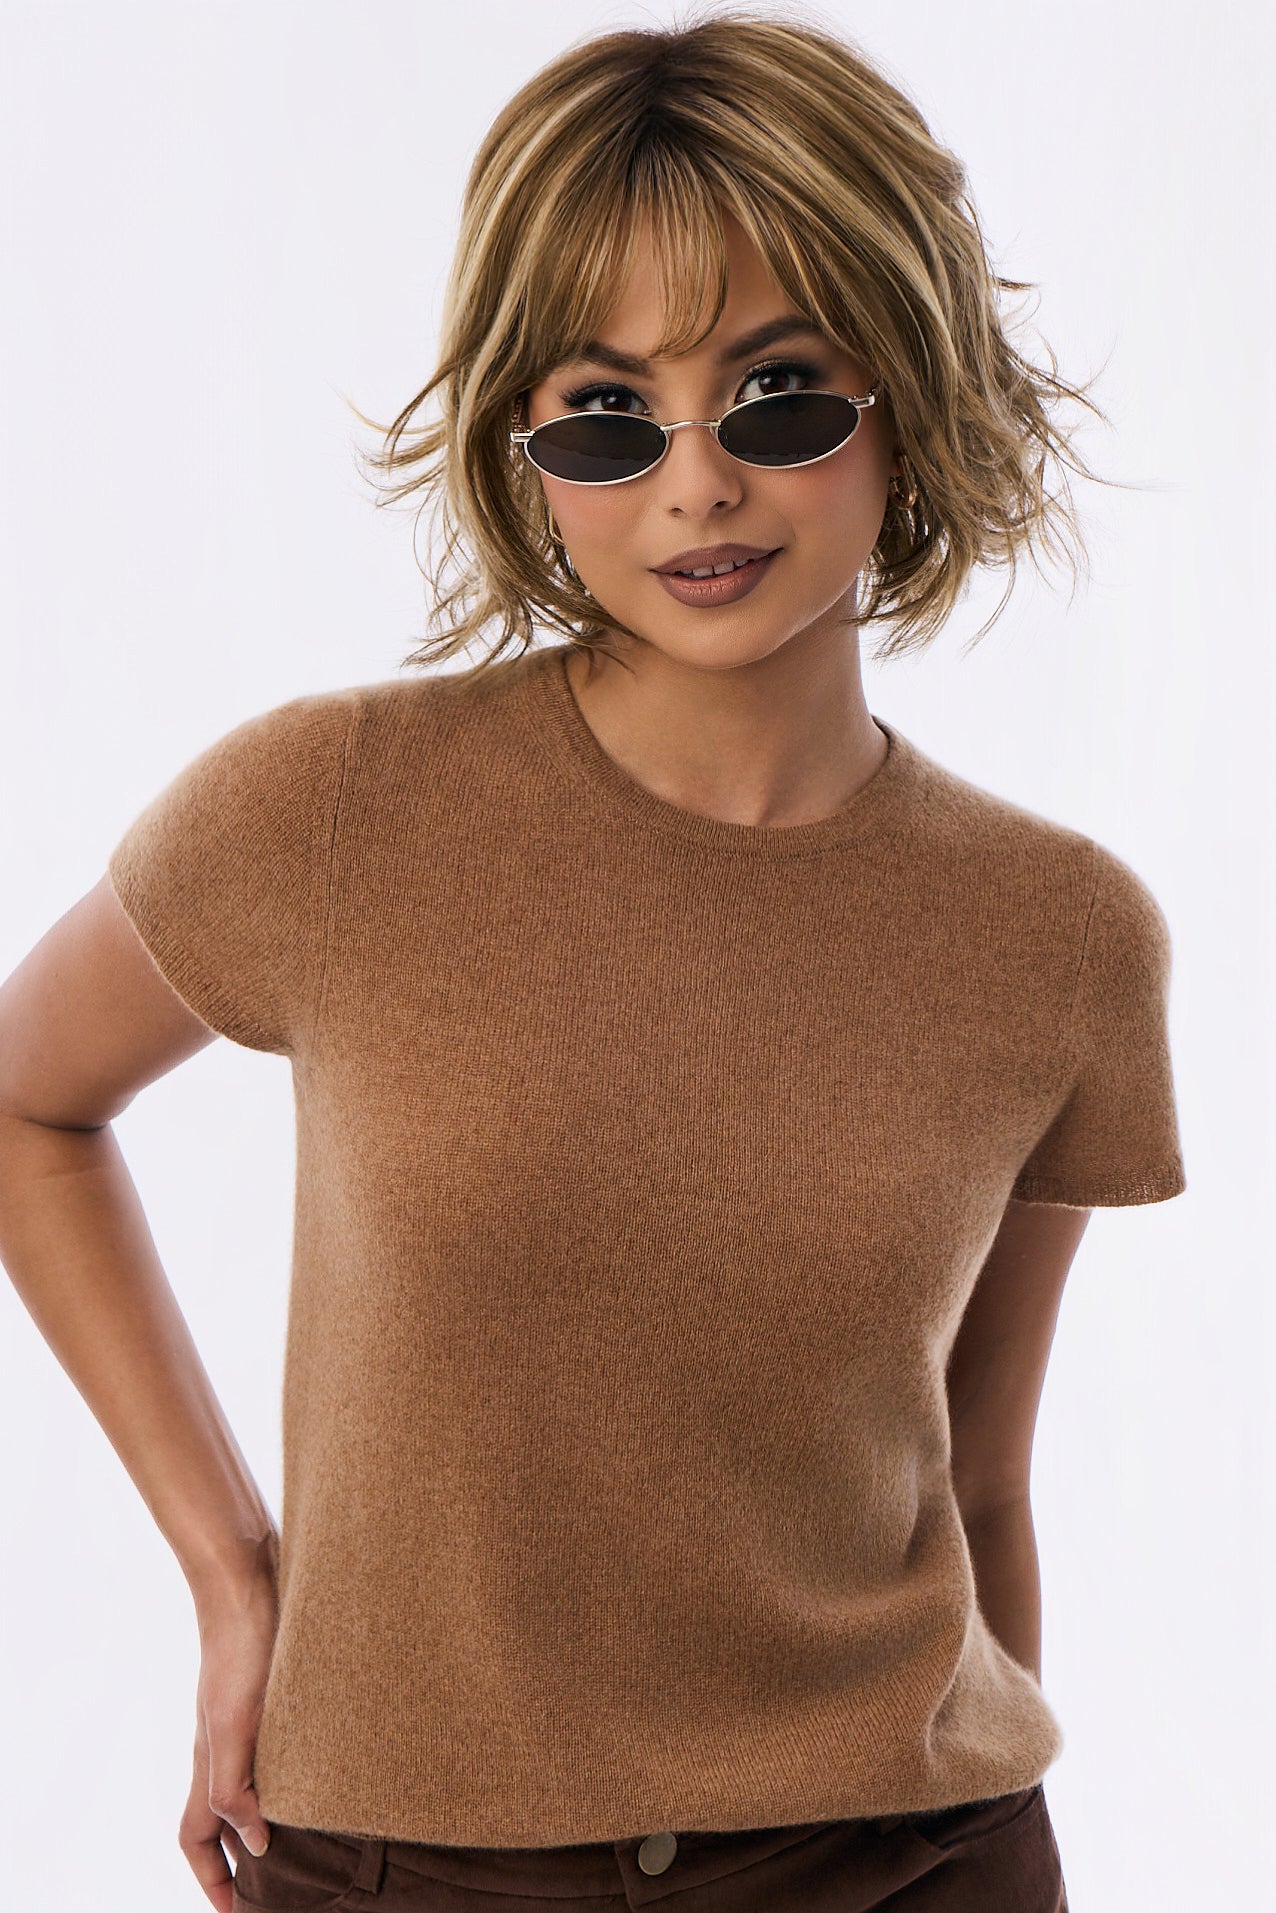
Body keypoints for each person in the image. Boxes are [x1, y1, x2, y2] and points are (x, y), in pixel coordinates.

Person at [0, 10, 1186, 1911]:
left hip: (907, 1857)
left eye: (780, 392)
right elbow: (26, 1101)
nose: (696, 483)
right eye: (608, 415)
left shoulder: (1061, 935)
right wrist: (232, 1570)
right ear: (524, 443)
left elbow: (977, 1482)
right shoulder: (329, 809)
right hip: (396, 1861)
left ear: (912, 386)